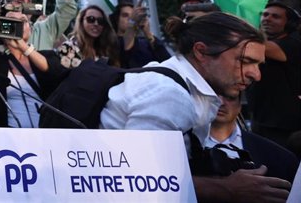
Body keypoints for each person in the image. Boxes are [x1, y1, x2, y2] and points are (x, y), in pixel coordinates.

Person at [100, 12, 291, 202]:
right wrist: (228, 188)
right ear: (201, 52)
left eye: (258, 64)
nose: (256, 75)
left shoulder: (177, 83)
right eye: (245, 61)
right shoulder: (170, 94)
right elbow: (140, 178)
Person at [0, 11, 62, 128]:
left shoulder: (47, 56)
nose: (18, 25)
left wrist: (22, 46)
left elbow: (55, 73)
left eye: (23, 21)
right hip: (8, 137)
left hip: (45, 134)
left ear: (31, 28)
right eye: (11, 22)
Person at [206, 93, 299, 183]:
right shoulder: (191, 146)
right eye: (214, 96)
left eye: (230, 97)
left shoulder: (279, 157)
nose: (221, 102)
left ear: (239, 106)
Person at [248, 1, 301, 149]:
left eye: (275, 16)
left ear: (289, 24)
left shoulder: (294, 42)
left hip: (284, 125)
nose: (267, 18)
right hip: (260, 118)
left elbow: (267, 48)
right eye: (265, 14)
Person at [110, 3, 170, 68]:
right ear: (116, 19)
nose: (130, 18)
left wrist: (148, 33)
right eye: (125, 15)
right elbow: (127, 48)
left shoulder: (145, 41)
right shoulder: (113, 43)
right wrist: (132, 22)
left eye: (133, 16)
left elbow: (167, 62)